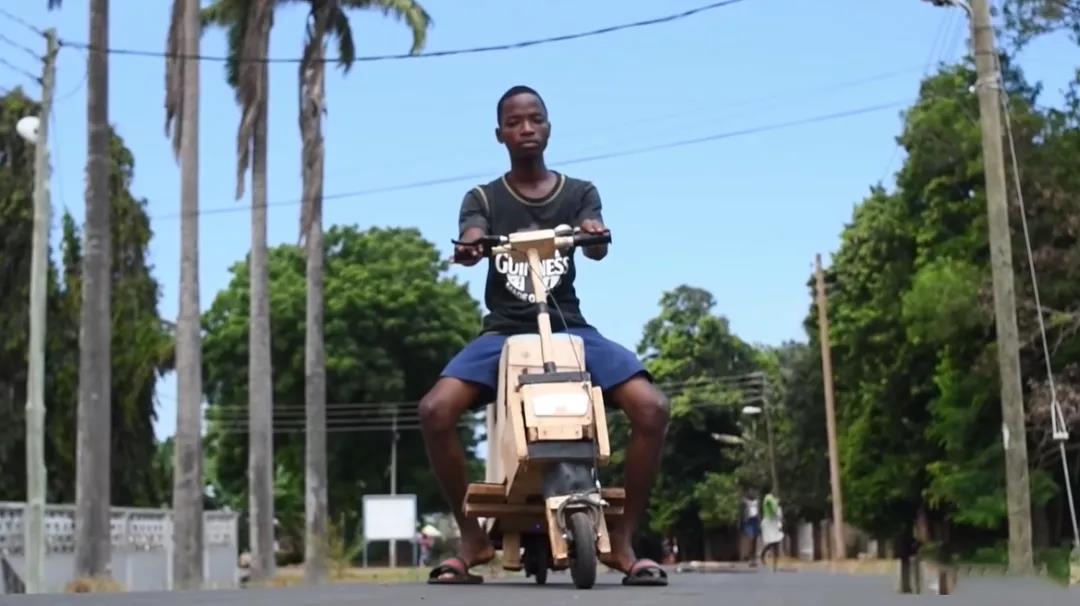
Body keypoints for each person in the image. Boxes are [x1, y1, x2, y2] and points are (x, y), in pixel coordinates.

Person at [419, 85, 670, 586]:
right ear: (500, 134)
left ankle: (621, 542)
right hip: (504, 333)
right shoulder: (484, 197)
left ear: (549, 127)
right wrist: (471, 247)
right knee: (435, 410)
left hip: (570, 327)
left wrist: (594, 234)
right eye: (515, 122)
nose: (526, 129)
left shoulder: (578, 192)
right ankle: (472, 539)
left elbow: (594, 238)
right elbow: (472, 231)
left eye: (535, 119)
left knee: (652, 407)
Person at [759, 490, 784, 571]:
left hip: (775, 522)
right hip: (768, 522)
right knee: (773, 542)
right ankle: (763, 554)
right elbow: (772, 507)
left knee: (776, 543)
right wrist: (775, 511)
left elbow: (778, 511)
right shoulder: (768, 498)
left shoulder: (775, 500)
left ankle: (775, 565)